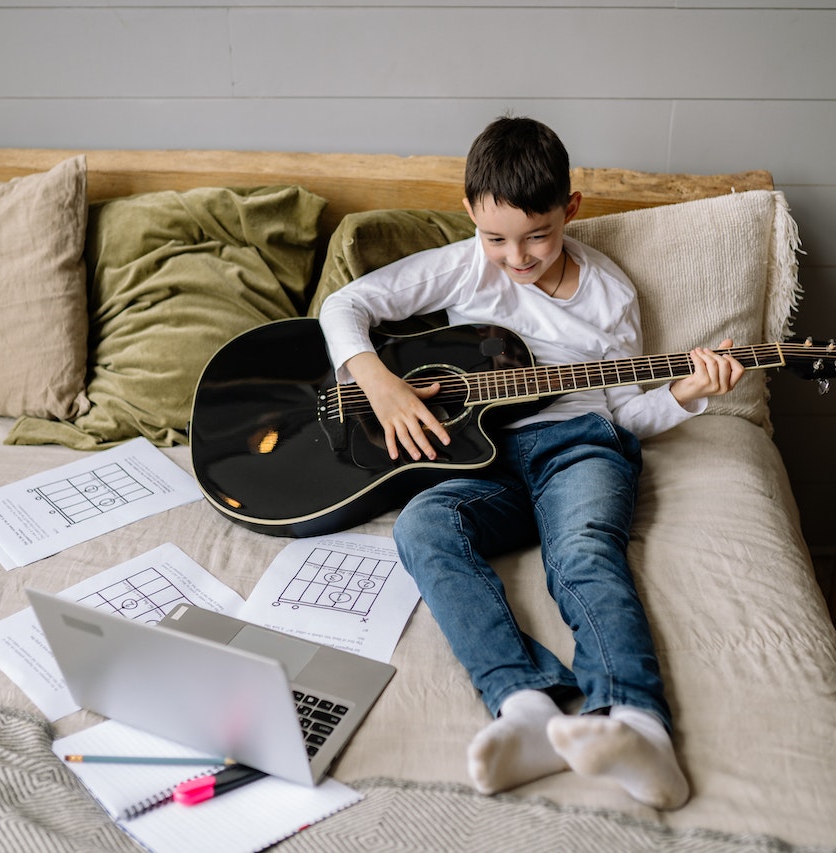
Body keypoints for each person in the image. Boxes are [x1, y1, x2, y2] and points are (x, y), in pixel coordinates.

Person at [318, 116, 744, 810]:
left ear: (570, 209)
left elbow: (626, 413)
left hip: (579, 444)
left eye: (538, 235)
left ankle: (638, 725)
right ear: (470, 216)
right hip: (486, 463)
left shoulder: (611, 295)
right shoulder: (465, 264)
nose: (516, 257)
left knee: (582, 551)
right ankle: (525, 705)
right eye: (497, 238)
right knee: (423, 527)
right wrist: (379, 382)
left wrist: (688, 392)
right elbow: (346, 305)